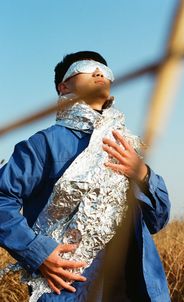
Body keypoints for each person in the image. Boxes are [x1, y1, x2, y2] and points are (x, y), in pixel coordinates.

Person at [0, 51, 171, 301]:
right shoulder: (45, 144)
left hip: (138, 289)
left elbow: (157, 221)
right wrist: (37, 252)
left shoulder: (124, 146)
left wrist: (143, 175)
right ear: (64, 86)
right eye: (87, 67)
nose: (100, 72)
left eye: (105, 69)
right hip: (69, 289)